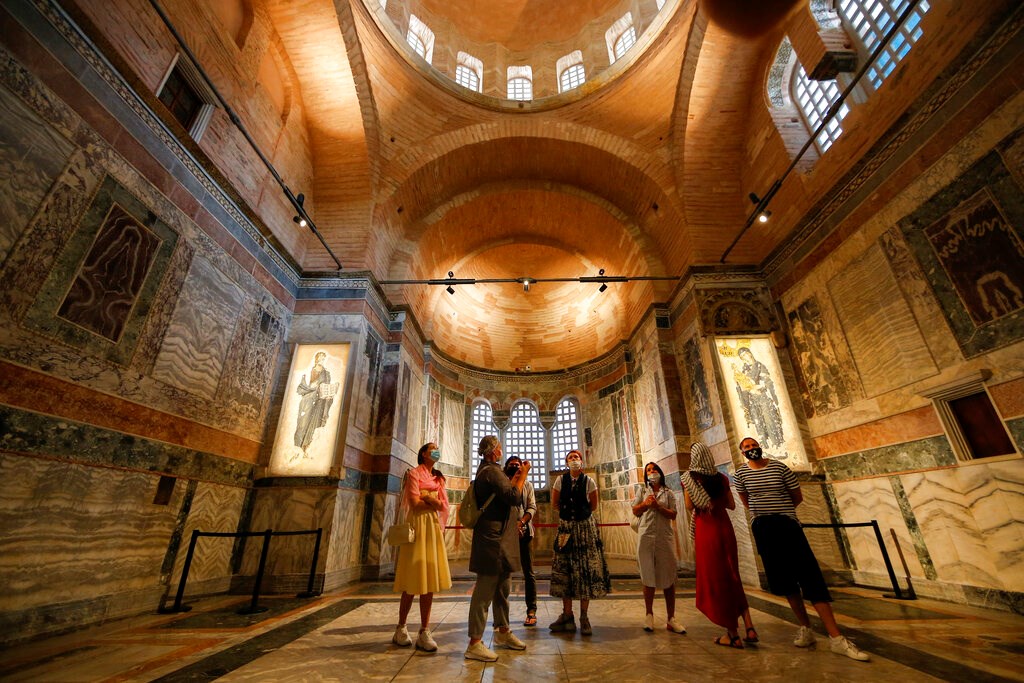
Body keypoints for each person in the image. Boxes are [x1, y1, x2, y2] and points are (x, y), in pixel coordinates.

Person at [733, 436, 870, 662]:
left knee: (810, 576)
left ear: (759, 446)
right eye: (746, 447)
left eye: (753, 445)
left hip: (787, 525)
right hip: (763, 528)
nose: (751, 449)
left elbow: (797, 496)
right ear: (742, 452)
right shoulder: (741, 474)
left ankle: (836, 636)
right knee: (785, 582)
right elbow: (746, 500)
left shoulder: (779, 467)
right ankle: (805, 627)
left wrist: (782, 513)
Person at [682, 442, 756, 649]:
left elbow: (689, 506)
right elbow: (731, 505)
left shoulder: (691, 479)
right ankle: (749, 626)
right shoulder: (722, 478)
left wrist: (704, 502)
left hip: (707, 530)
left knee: (717, 580)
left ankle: (733, 634)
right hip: (725, 528)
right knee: (733, 576)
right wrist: (716, 501)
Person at [465, 436, 531, 662]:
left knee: (503, 588)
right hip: (491, 541)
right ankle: (474, 643)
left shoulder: (492, 470)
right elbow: (513, 496)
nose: (502, 451)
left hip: (501, 539)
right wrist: (523, 475)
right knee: (484, 591)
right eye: (499, 447)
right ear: (493, 452)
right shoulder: (490, 471)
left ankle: (503, 631)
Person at [392, 442, 452, 652]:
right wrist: (431, 500)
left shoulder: (438, 477)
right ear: (424, 453)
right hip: (418, 526)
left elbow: (444, 506)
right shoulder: (414, 474)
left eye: (438, 447)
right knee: (412, 577)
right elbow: (414, 503)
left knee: (429, 579)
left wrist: (429, 498)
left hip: (432, 527)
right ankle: (401, 627)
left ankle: (424, 630)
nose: (436, 450)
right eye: (432, 448)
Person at [549, 449, 610, 636]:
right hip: (567, 529)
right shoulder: (560, 480)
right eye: (571, 458)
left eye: (577, 457)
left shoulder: (588, 481)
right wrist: (568, 514)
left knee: (585, 572)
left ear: (581, 462)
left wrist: (580, 514)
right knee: (565, 570)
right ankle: (567, 615)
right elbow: (555, 503)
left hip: (585, 529)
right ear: (566, 463)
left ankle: (584, 616)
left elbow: (593, 505)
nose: (574, 460)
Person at [631, 461, 686, 634]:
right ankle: (649, 615)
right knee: (648, 576)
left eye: (654, 469)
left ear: (660, 473)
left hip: (664, 538)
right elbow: (635, 510)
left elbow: (673, 514)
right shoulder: (642, 491)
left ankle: (671, 618)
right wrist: (645, 505)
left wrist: (658, 507)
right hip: (646, 536)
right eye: (648, 470)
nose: (652, 472)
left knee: (668, 577)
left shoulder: (668, 493)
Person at [505, 456, 538, 627]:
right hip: (506, 534)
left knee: (529, 573)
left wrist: (521, 523)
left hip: (525, 532)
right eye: (511, 465)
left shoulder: (528, 485)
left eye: (517, 466)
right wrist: (511, 526)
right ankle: (502, 616)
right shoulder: (503, 483)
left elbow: (531, 507)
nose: (515, 467)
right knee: (503, 574)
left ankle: (531, 610)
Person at [293, 351, 335, 456]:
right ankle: (297, 448)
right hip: (308, 401)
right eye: (320, 358)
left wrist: (328, 394)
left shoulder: (326, 373)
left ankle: (306, 448)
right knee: (302, 424)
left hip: (320, 402)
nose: (322, 360)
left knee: (314, 424)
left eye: (323, 358)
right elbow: (302, 387)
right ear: (316, 359)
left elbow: (327, 387)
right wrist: (312, 387)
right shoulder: (308, 372)